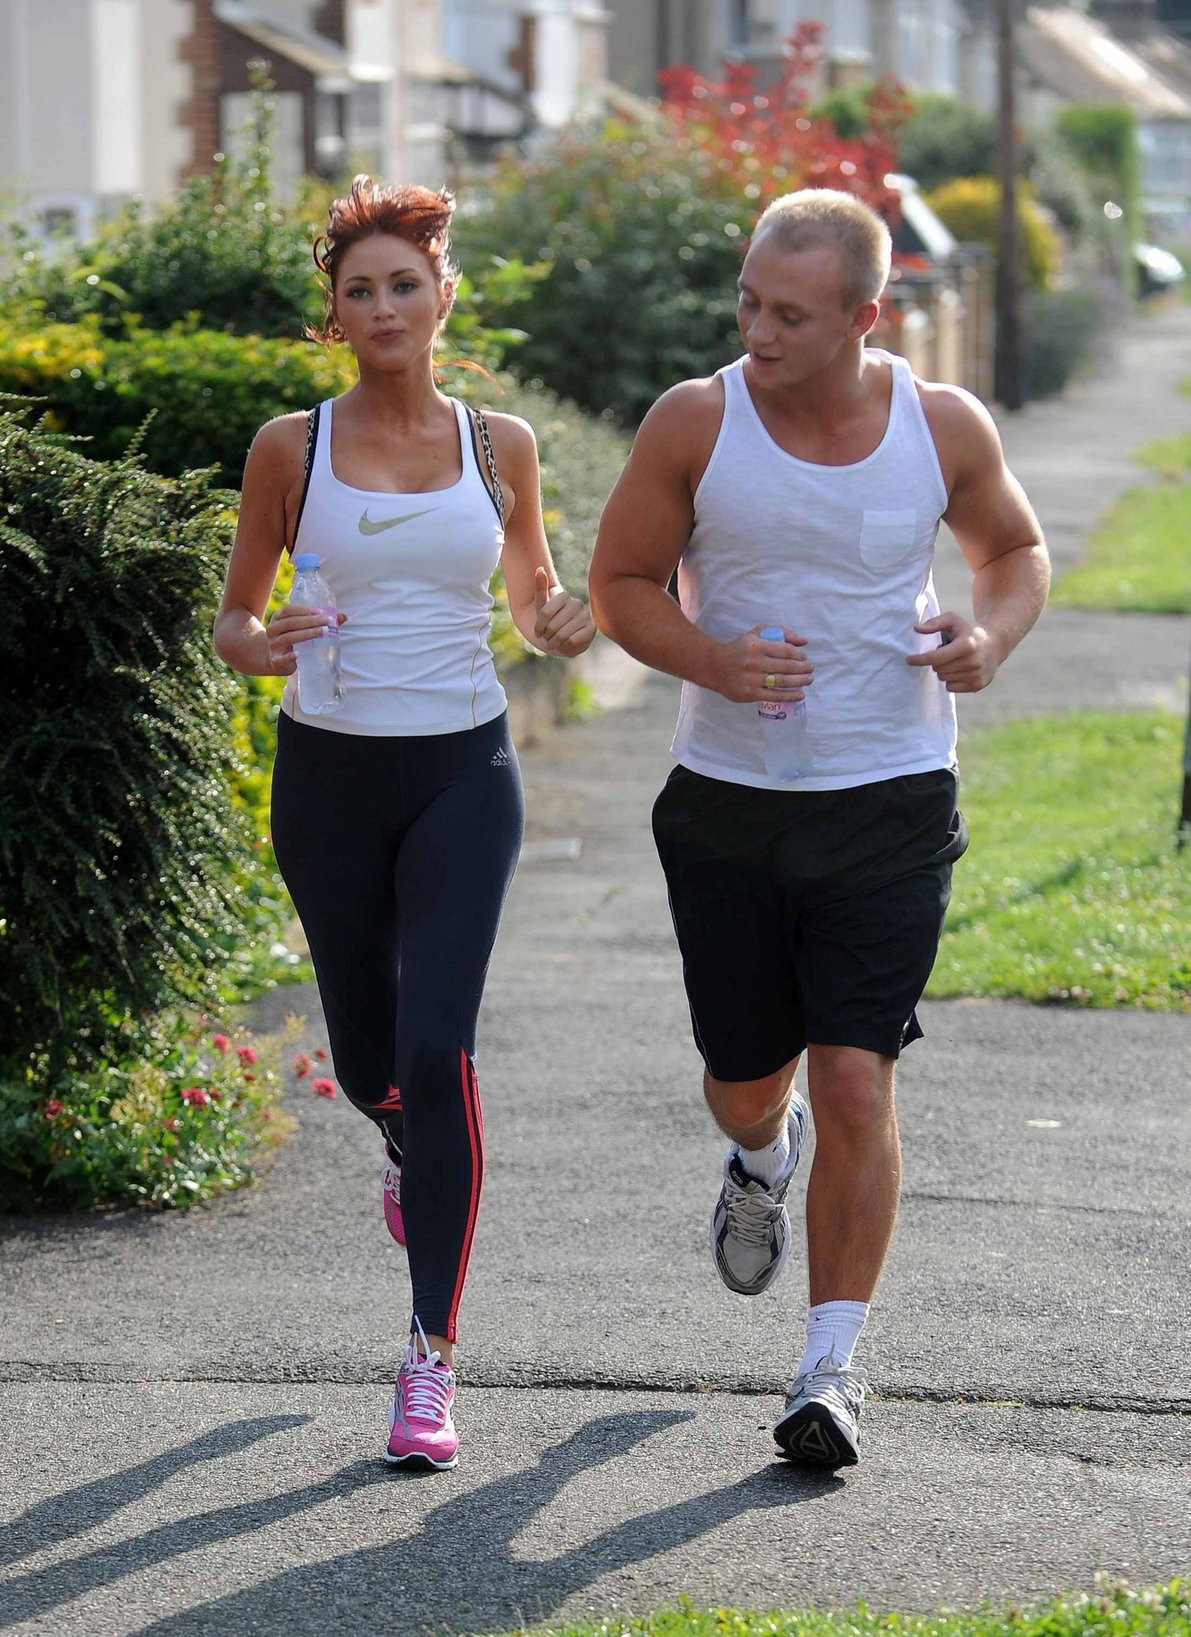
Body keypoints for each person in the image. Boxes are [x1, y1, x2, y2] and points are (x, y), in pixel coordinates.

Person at [588, 188, 1048, 1470]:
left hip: (892, 793)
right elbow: (618, 584)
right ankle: (755, 1151)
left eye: (789, 312)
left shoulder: (939, 422)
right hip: (729, 802)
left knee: (857, 1071)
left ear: (867, 314)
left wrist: (986, 634)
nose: (758, 329)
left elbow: (1013, 550)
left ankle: (830, 1365)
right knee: (750, 1078)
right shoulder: (698, 418)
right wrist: (715, 660)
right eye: (748, 301)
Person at [214, 176, 595, 1472]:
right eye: (358, 287)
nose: (382, 304)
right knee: (375, 1064)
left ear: (444, 295)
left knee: (441, 1058)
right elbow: (232, 619)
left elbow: (534, 594)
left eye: (403, 282)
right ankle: (389, 1130)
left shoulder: (502, 447)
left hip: (461, 772)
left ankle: (428, 1359)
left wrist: (570, 617)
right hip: (327, 780)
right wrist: (260, 648)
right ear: (335, 313)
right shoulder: (290, 446)